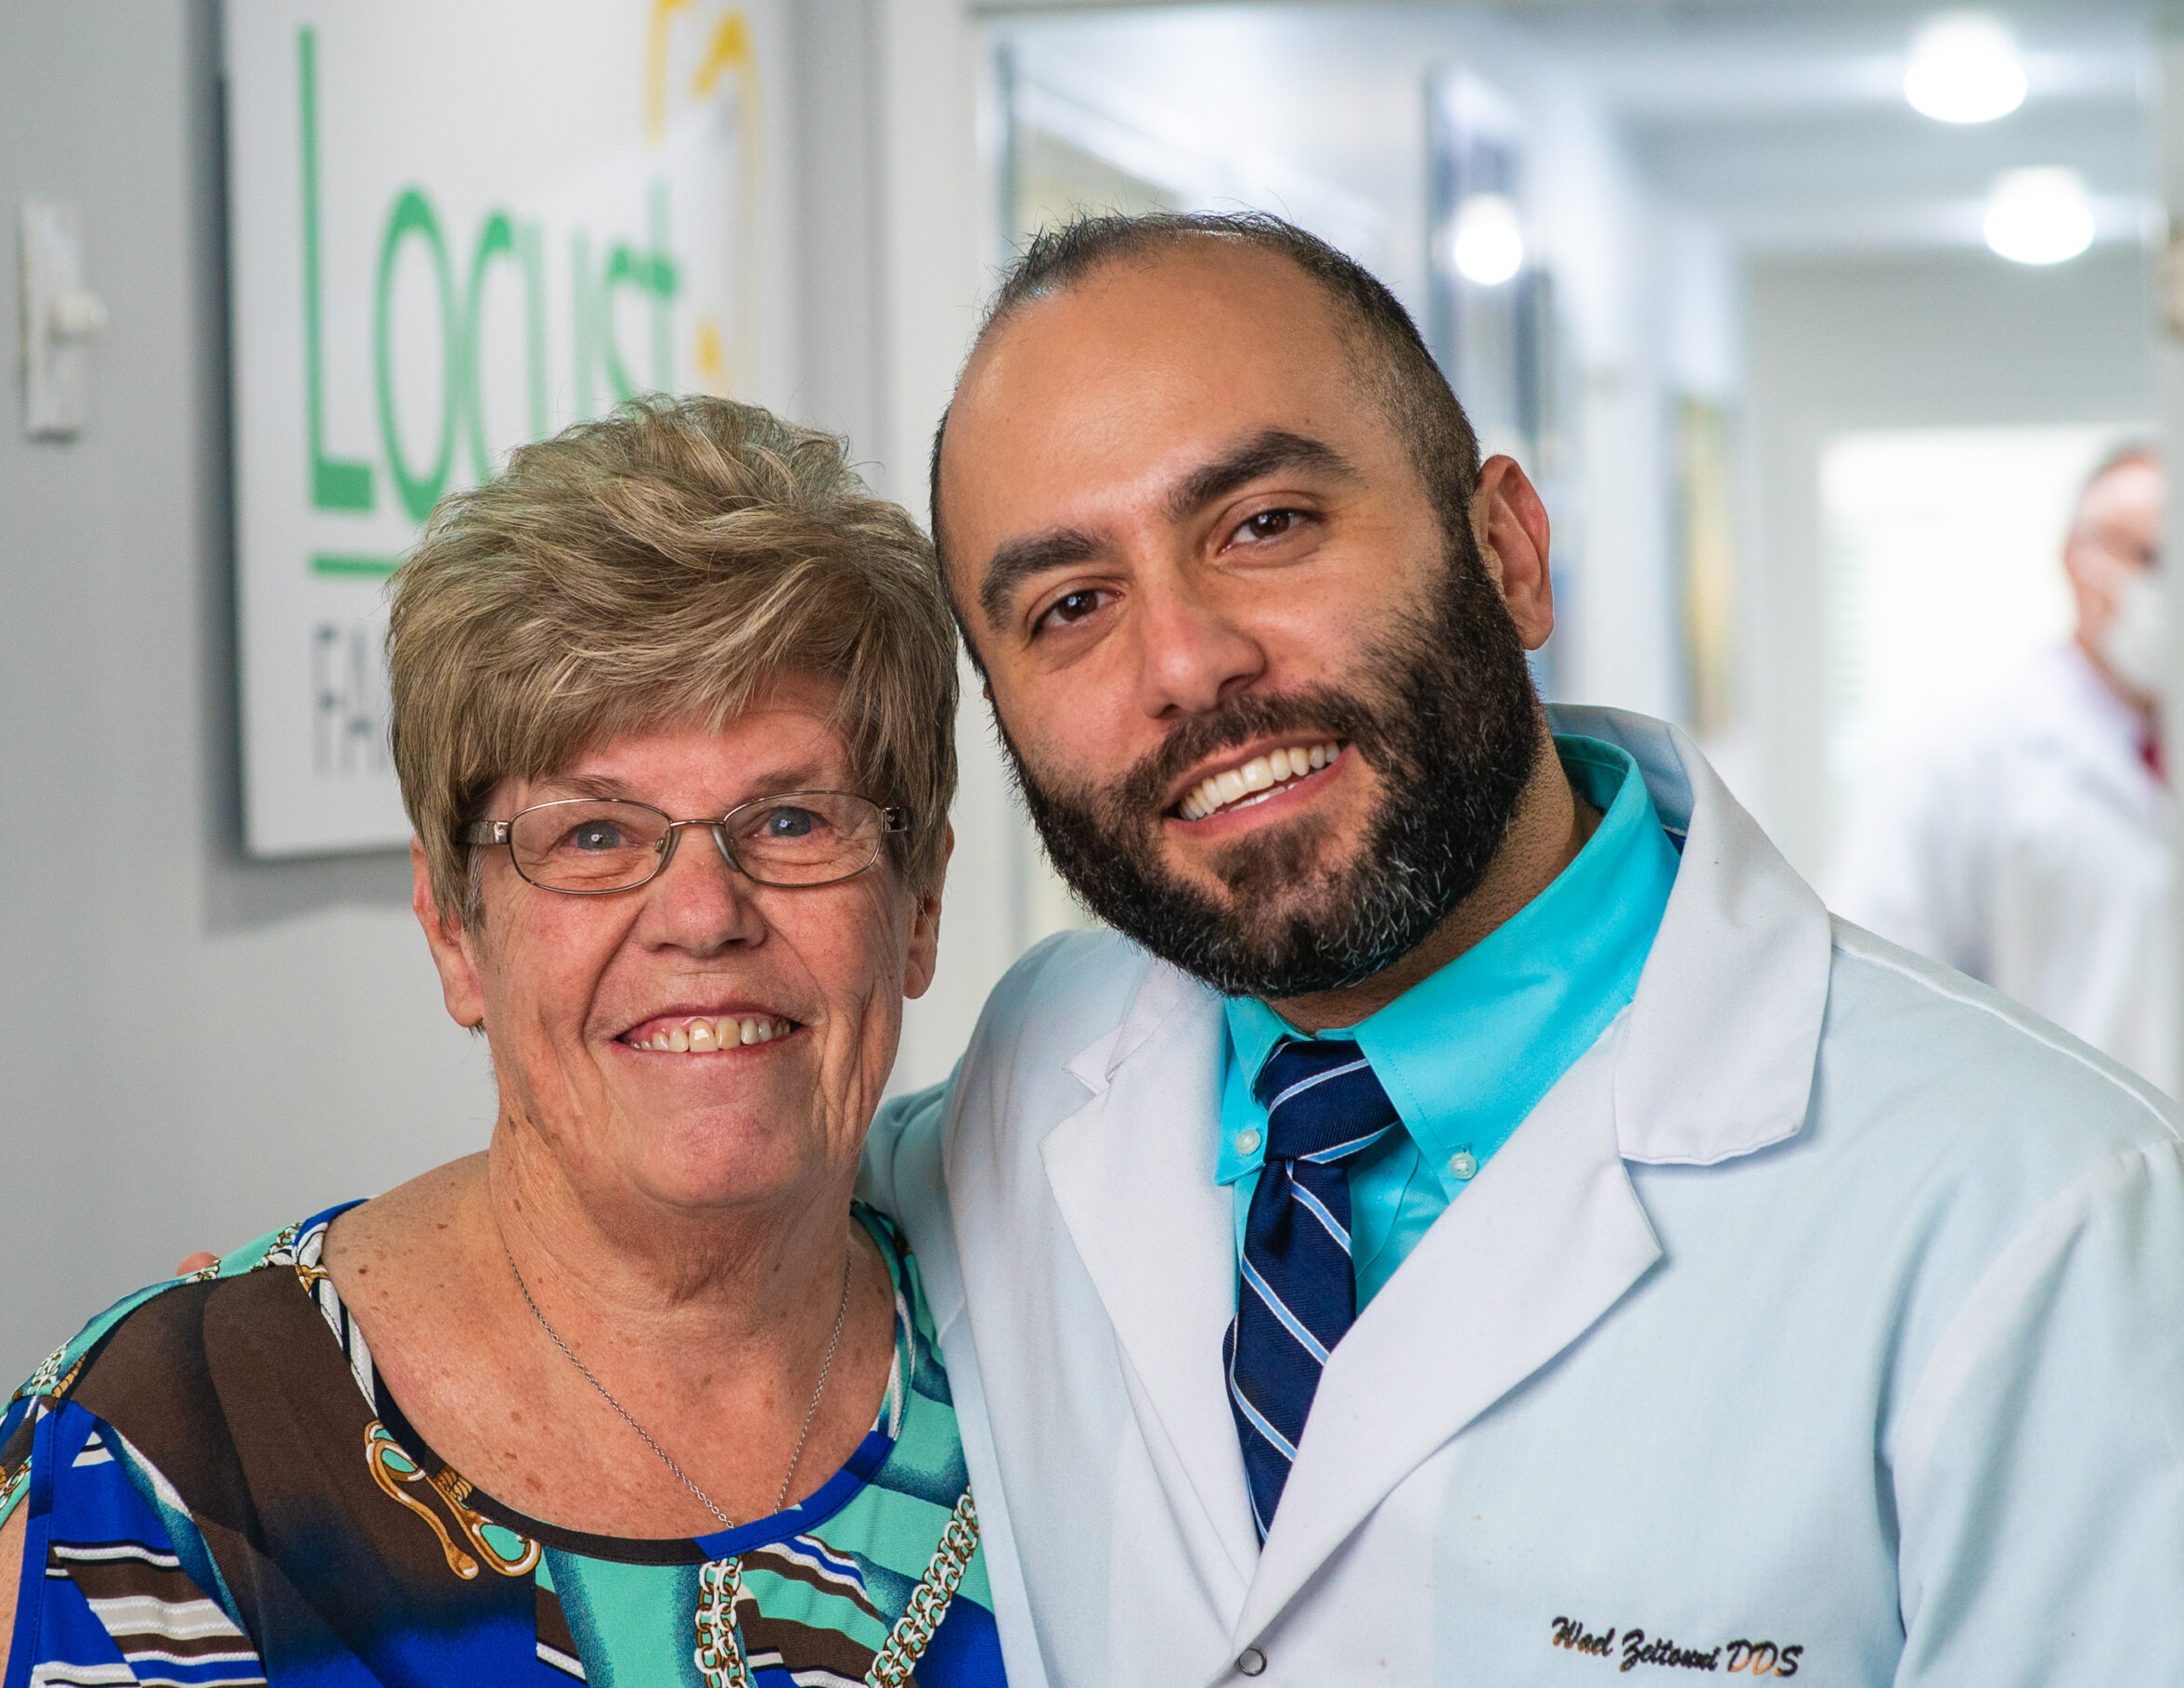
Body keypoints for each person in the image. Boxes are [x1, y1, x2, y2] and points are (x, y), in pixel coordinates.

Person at [861, 214, 2184, 1685]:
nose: (1185, 665)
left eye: (1264, 525)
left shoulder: (2045, 1215)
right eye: (1070, 607)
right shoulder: (1033, 1074)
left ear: (1507, 551)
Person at [0, 398, 1011, 1687]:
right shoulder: (172, 1473)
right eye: (592, 833)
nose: (703, 914)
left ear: (917, 904)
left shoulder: (1046, 1367)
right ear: (454, 932)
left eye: (795, 820)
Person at [1830, 445, 2174, 1093]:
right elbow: (1877, 1007)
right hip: (2058, 1165)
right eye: (2153, 557)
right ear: (2078, 561)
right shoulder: (1947, 762)